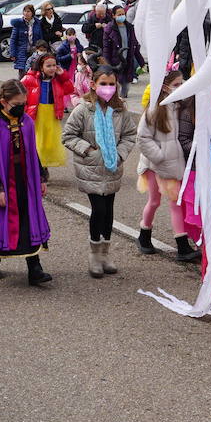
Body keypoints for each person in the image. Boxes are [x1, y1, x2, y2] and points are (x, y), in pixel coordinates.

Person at [0, 80, 52, 286]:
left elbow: (33, 151)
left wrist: (41, 177)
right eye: (17, 103)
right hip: (4, 181)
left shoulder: (27, 121)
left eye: (24, 102)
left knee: (28, 219)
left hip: (25, 179)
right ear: (4, 102)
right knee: (0, 221)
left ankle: (35, 268)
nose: (21, 107)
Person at [61, 66, 137, 278]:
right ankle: (94, 255)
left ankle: (105, 254)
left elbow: (130, 134)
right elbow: (68, 135)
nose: (108, 88)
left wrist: (120, 154)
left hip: (112, 166)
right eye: (103, 83)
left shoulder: (120, 109)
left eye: (111, 84)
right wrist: (88, 150)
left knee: (109, 210)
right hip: (92, 167)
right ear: (93, 85)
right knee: (99, 209)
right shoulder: (84, 109)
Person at [136, 69, 200, 262]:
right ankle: (144, 234)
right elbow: (143, 137)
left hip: (172, 166)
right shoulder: (155, 110)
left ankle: (182, 246)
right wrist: (160, 156)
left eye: (182, 84)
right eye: (176, 85)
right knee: (154, 201)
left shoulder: (180, 106)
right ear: (164, 88)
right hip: (154, 165)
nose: (180, 88)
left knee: (175, 203)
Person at [22, 52, 74, 176]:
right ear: (41, 67)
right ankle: (37, 167)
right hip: (36, 114)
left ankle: (43, 166)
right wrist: (23, 110)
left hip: (52, 113)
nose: (52, 68)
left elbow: (70, 89)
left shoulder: (57, 79)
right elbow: (20, 92)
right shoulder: (30, 78)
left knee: (49, 143)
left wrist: (63, 76)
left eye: (54, 65)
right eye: (48, 66)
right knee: (37, 140)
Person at [101, 4, 143, 98]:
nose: (121, 16)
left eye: (123, 14)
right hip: (115, 62)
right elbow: (106, 49)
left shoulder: (130, 28)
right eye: (119, 14)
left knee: (126, 85)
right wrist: (107, 64)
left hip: (128, 60)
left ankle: (122, 101)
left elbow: (134, 46)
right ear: (113, 15)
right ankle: (116, 102)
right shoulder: (109, 29)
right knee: (116, 84)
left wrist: (141, 62)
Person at [7, 4, 43, 75]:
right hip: (22, 51)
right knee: (23, 73)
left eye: (28, 11)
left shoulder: (38, 23)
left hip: (34, 50)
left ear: (32, 13)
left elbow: (40, 38)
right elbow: (13, 40)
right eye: (25, 11)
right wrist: (12, 53)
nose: (26, 13)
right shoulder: (19, 24)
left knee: (34, 71)